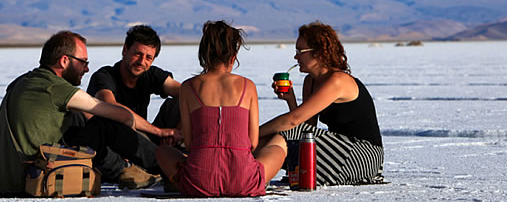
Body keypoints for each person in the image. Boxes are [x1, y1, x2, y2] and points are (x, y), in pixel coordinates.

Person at [0, 31, 171, 197]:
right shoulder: (56, 88)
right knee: (105, 125)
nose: (86, 69)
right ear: (64, 61)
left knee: (79, 118)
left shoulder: (26, 81)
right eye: (83, 62)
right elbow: (121, 115)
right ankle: (171, 169)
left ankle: (125, 169)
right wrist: (159, 132)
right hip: (36, 180)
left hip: (13, 181)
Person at [155, 20, 287, 197]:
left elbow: (189, 141)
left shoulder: (188, 87)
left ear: (204, 53)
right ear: (233, 55)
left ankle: (178, 179)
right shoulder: (248, 86)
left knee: (162, 151)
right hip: (243, 181)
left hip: (198, 182)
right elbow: (253, 142)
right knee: (279, 148)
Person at [259, 22, 385, 186]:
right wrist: (291, 100)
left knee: (275, 137)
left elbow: (293, 121)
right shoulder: (310, 81)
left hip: (362, 154)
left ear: (318, 53)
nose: (295, 57)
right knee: (263, 143)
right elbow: (306, 127)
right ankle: (245, 175)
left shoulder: (338, 81)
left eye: (300, 51)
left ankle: (255, 180)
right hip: (336, 149)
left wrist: (250, 134)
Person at [84, 25, 183, 180]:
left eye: (148, 58)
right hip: (113, 146)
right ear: (125, 50)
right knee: (113, 121)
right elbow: (112, 107)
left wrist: (178, 131)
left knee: (175, 104)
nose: (142, 62)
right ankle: (168, 164)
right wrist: (159, 131)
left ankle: (176, 155)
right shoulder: (105, 76)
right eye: (137, 54)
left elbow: (187, 93)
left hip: (143, 141)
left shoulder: (150, 74)